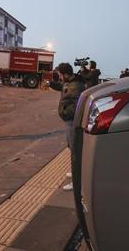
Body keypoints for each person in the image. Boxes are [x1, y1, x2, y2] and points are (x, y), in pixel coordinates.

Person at [49, 62, 86, 191]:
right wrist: (51, 84)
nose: (59, 77)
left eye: (60, 75)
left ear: (65, 74)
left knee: (76, 151)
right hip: (69, 122)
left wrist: (65, 113)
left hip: (72, 122)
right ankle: (75, 172)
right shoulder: (71, 83)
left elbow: (76, 107)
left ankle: (77, 183)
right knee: (72, 148)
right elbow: (63, 87)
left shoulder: (76, 86)